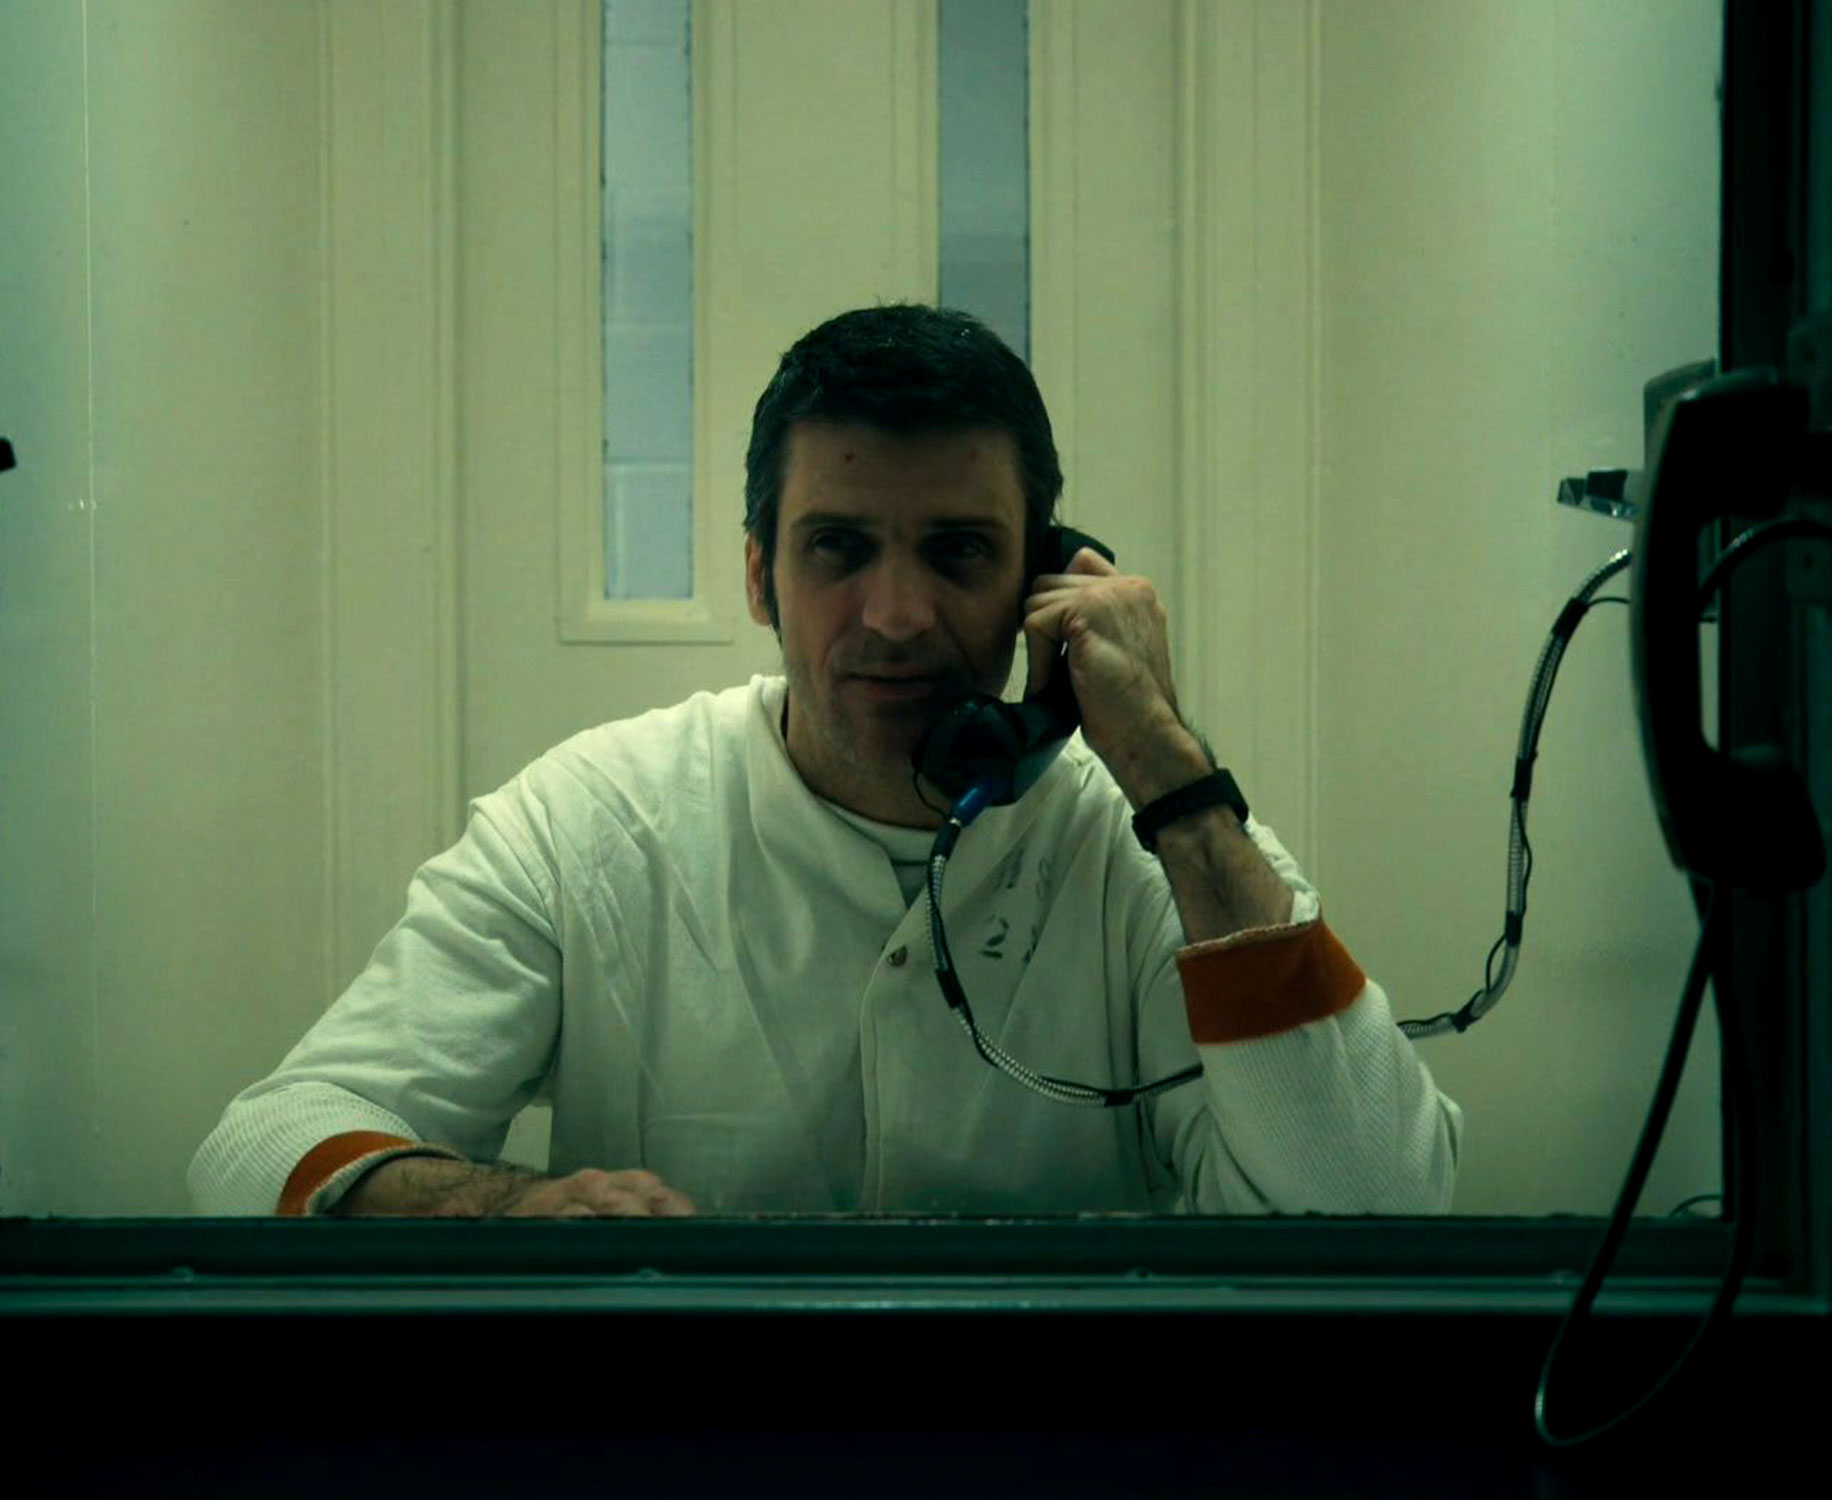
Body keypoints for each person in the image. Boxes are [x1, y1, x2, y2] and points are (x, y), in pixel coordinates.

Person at [189, 304, 1462, 1219]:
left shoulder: (1143, 843)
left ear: (1045, 580)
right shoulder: (591, 821)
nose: (895, 615)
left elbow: (1382, 1206)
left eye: (957, 552)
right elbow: (260, 1152)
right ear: (759, 575)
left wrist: (1174, 785)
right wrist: (503, 1209)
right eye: (838, 548)